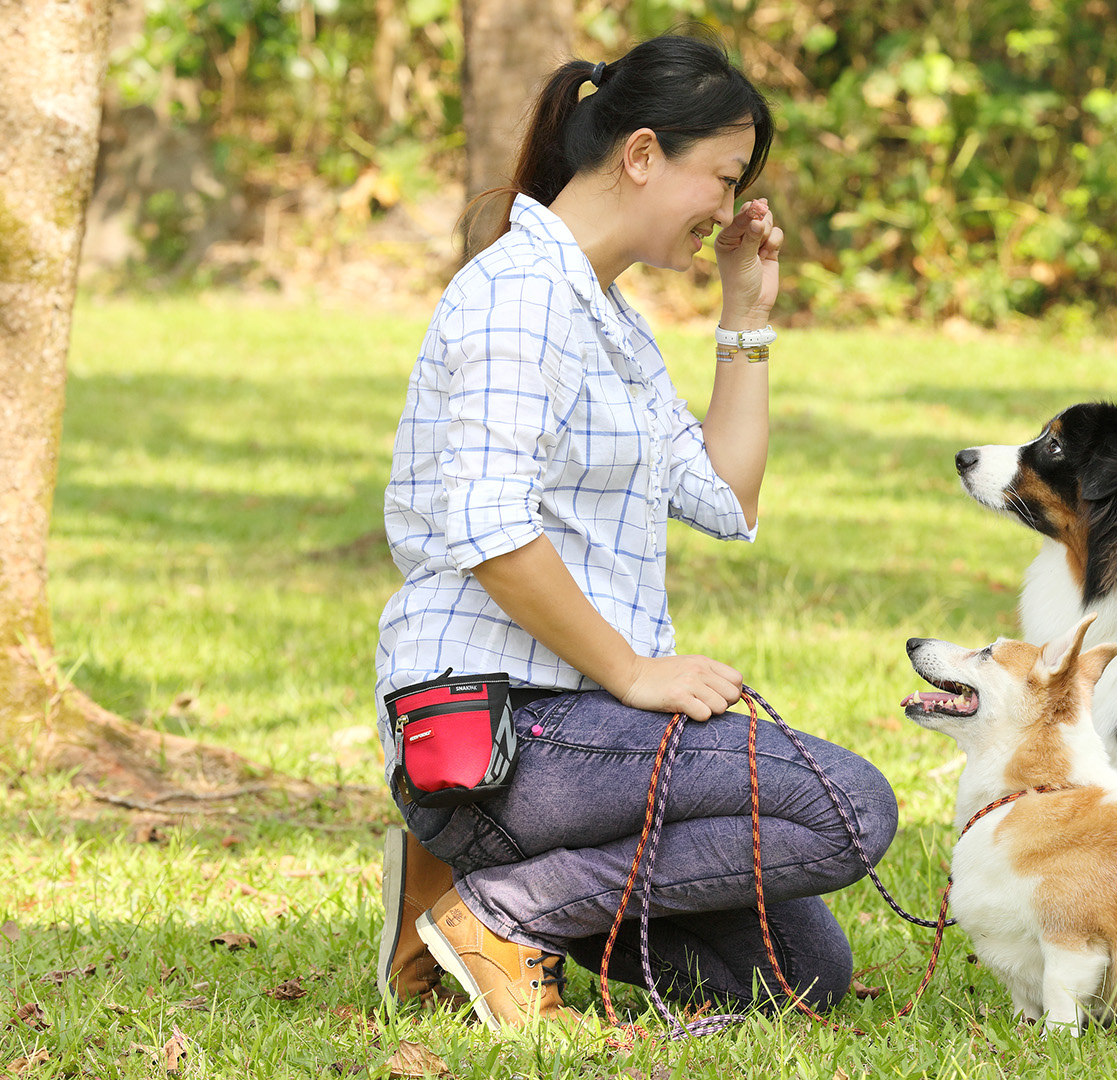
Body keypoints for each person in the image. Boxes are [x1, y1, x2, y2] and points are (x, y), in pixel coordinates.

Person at [370, 33, 898, 1032]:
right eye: (724, 176)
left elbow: (726, 500)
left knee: (799, 978)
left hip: (580, 743)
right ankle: (500, 907)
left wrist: (745, 312)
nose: (730, 204)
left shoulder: (609, 319)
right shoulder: (519, 298)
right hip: (501, 727)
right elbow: (489, 530)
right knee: (846, 807)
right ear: (643, 152)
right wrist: (633, 672)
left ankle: (458, 884)